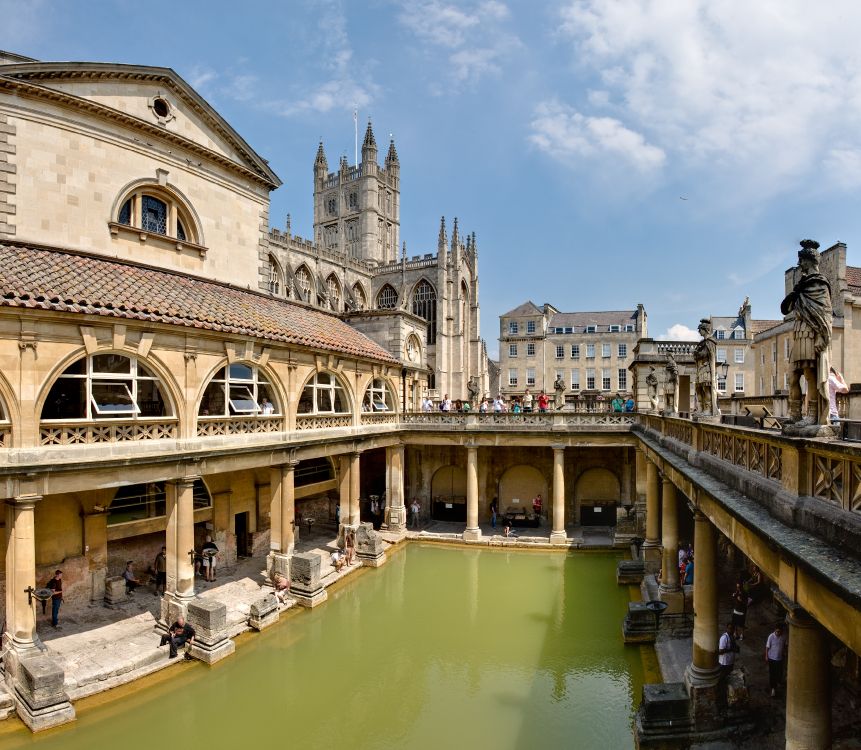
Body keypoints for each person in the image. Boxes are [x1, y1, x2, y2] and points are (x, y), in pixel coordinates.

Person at [764, 623, 787, 697]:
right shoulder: (771, 636)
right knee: (772, 673)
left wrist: (785, 652)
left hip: (780, 658)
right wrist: (766, 656)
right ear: (775, 630)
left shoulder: (783, 637)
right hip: (772, 658)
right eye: (777, 631)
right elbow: (767, 647)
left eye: (779, 632)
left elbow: (785, 645)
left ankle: (778, 682)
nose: (778, 633)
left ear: (782, 632)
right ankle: (773, 688)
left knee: (779, 672)